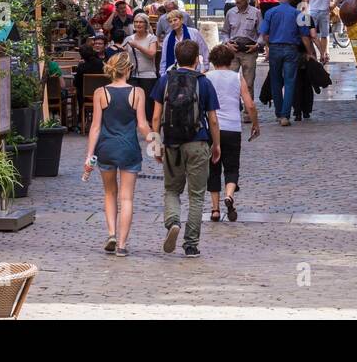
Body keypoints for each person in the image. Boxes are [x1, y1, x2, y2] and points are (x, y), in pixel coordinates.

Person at [150, 40, 221, 259]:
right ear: (197, 58)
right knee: (197, 196)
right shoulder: (204, 82)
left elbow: (155, 117)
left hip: (172, 142)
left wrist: (156, 144)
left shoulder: (165, 81)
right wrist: (216, 145)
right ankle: (191, 245)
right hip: (198, 142)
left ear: (176, 58)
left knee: (172, 189)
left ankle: (173, 222)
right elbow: (213, 119)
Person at [82, 53, 152, 256]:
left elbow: (95, 127)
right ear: (128, 69)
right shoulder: (137, 92)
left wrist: (89, 155)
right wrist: (155, 143)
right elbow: (142, 124)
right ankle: (122, 244)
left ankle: (111, 233)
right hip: (129, 148)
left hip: (106, 149)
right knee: (127, 198)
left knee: (109, 193)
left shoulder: (100, 93)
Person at [205, 44, 259, 223]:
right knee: (232, 166)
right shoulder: (237, 77)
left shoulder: (206, 77)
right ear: (230, 60)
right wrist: (255, 124)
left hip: (212, 128)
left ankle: (214, 210)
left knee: (213, 168)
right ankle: (229, 196)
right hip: (232, 128)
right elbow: (249, 104)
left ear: (213, 60)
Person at [258, 0, 314, 127]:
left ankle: (278, 113)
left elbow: (264, 34)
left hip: (275, 49)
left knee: (276, 82)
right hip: (291, 49)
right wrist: (310, 52)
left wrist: (269, 45)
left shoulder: (270, 13)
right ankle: (285, 115)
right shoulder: (298, 14)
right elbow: (304, 36)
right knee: (290, 82)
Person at [220, 0, 262, 95]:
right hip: (233, 51)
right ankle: (234, 108)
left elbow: (262, 33)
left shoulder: (256, 13)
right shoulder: (230, 13)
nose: (237, 1)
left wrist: (257, 45)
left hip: (249, 52)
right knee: (231, 82)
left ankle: (248, 111)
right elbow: (224, 32)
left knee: (248, 83)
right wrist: (227, 43)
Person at [303, 0, 343, 65]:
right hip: (325, 11)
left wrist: (304, 3)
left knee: (311, 34)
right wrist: (334, 5)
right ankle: (323, 55)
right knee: (324, 35)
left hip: (312, 10)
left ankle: (314, 54)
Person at [123, 13, 159, 122]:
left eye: (141, 22)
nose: (138, 24)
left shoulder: (152, 38)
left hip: (148, 74)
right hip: (132, 74)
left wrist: (137, 46)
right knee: (132, 99)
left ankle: (150, 124)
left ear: (146, 24)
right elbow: (123, 54)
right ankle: (133, 123)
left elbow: (152, 54)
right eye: (136, 22)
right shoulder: (129, 38)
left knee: (148, 101)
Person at [161, 9, 209, 73]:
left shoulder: (194, 33)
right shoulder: (167, 39)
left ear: (181, 20)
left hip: (194, 71)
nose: (173, 23)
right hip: (174, 73)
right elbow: (164, 59)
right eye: (170, 21)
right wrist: (163, 74)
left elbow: (204, 50)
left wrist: (205, 67)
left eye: (175, 20)